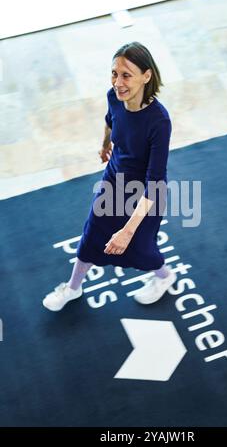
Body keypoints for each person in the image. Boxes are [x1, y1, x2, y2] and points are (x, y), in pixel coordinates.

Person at [43, 41, 176, 312]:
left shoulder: (159, 121)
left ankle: (165, 277)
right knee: (92, 236)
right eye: (114, 73)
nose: (118, 82)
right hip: (113, 182)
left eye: (126, 75)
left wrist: (127, 231)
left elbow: (156, 182)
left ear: (146, 76)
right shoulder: (115, 96)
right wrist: (106, 144)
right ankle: (72, 287)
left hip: (144, 197)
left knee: (140, 248)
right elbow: (110, 119)